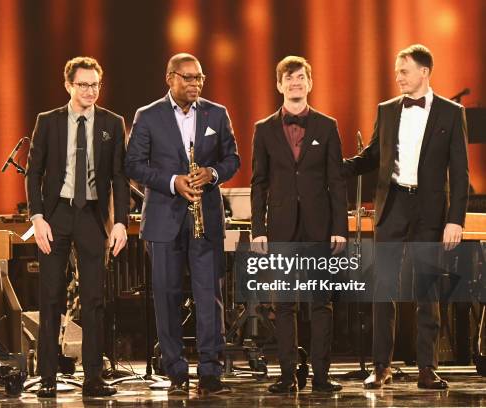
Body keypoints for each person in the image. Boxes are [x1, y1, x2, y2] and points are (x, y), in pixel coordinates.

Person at [343, 44, 469, 389]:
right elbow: (371, 156)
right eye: (397, 71)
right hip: (393, 205)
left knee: (426, 288)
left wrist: (455, 219)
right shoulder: (386, 111)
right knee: (383, 289)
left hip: (430, 211)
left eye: (404, 71)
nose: (397, 77)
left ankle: (427, 368)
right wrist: (335, 168)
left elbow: (460, 173)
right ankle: (381, 365)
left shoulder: (450, 112)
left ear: (424, 72)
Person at [125, 53, 240, 395]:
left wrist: (213, 173)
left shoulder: (216, 113)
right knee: (166, 295)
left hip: (206, 219)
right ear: (170, 78)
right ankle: (175, 368)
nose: (195, 84)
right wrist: (173, 181)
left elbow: (232, 158)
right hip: (164, 218)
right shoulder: (147, 116)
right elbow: (134, 165)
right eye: (188, 78)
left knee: (209, 295)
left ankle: (210, 369)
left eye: (199, 78)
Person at [25, 56, 129, 398]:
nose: (90, 91)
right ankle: (48, 378)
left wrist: (120, 223)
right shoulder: (49, 121)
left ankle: (94, 378)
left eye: (95, 84)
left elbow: (119, 177)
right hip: (57, 215)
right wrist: (37, 217)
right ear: (68, 85)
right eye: (83, 84)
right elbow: (34, 173)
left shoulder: (112, 123)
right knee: (51, 296)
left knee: (94, 299)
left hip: (92, 217)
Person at [250, 56, 347, 393]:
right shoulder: (263, 129)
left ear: (310, 82)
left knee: (321, 302)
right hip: (280, 226)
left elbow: (336, 181)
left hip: (320, 227)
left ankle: (321, 375)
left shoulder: (327, 125)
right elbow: (258, 182)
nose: (295, 83)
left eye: (301, 77)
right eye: (289, 78)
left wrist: (340, 227)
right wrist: (258, 230)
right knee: (284, 304)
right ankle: (287, 375)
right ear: (279, 85)